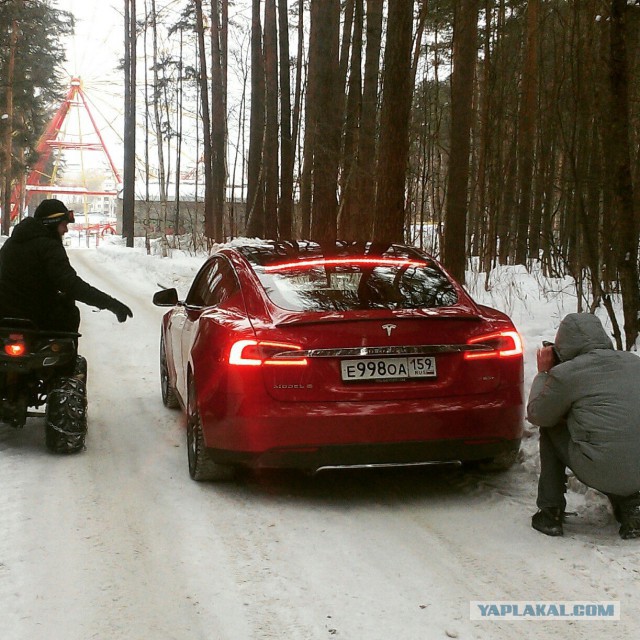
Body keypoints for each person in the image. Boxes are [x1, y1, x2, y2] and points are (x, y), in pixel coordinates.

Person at [527, 312, 640, 539]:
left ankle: (550, 510)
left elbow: (538, 414)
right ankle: (632, 506)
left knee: (551, 428)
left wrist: (544, 373)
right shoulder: (635, 362)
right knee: (620, 432)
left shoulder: (566, 374)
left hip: (601, 469)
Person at [0, 198, 132, 332]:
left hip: (4, 316)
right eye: (64, 225)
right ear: (52, 223)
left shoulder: (11, 244)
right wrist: (111, 304)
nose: (66, 230)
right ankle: (65, 353)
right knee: (70, 311)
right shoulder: (49, 246)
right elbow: (70, 285)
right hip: (36, 318)